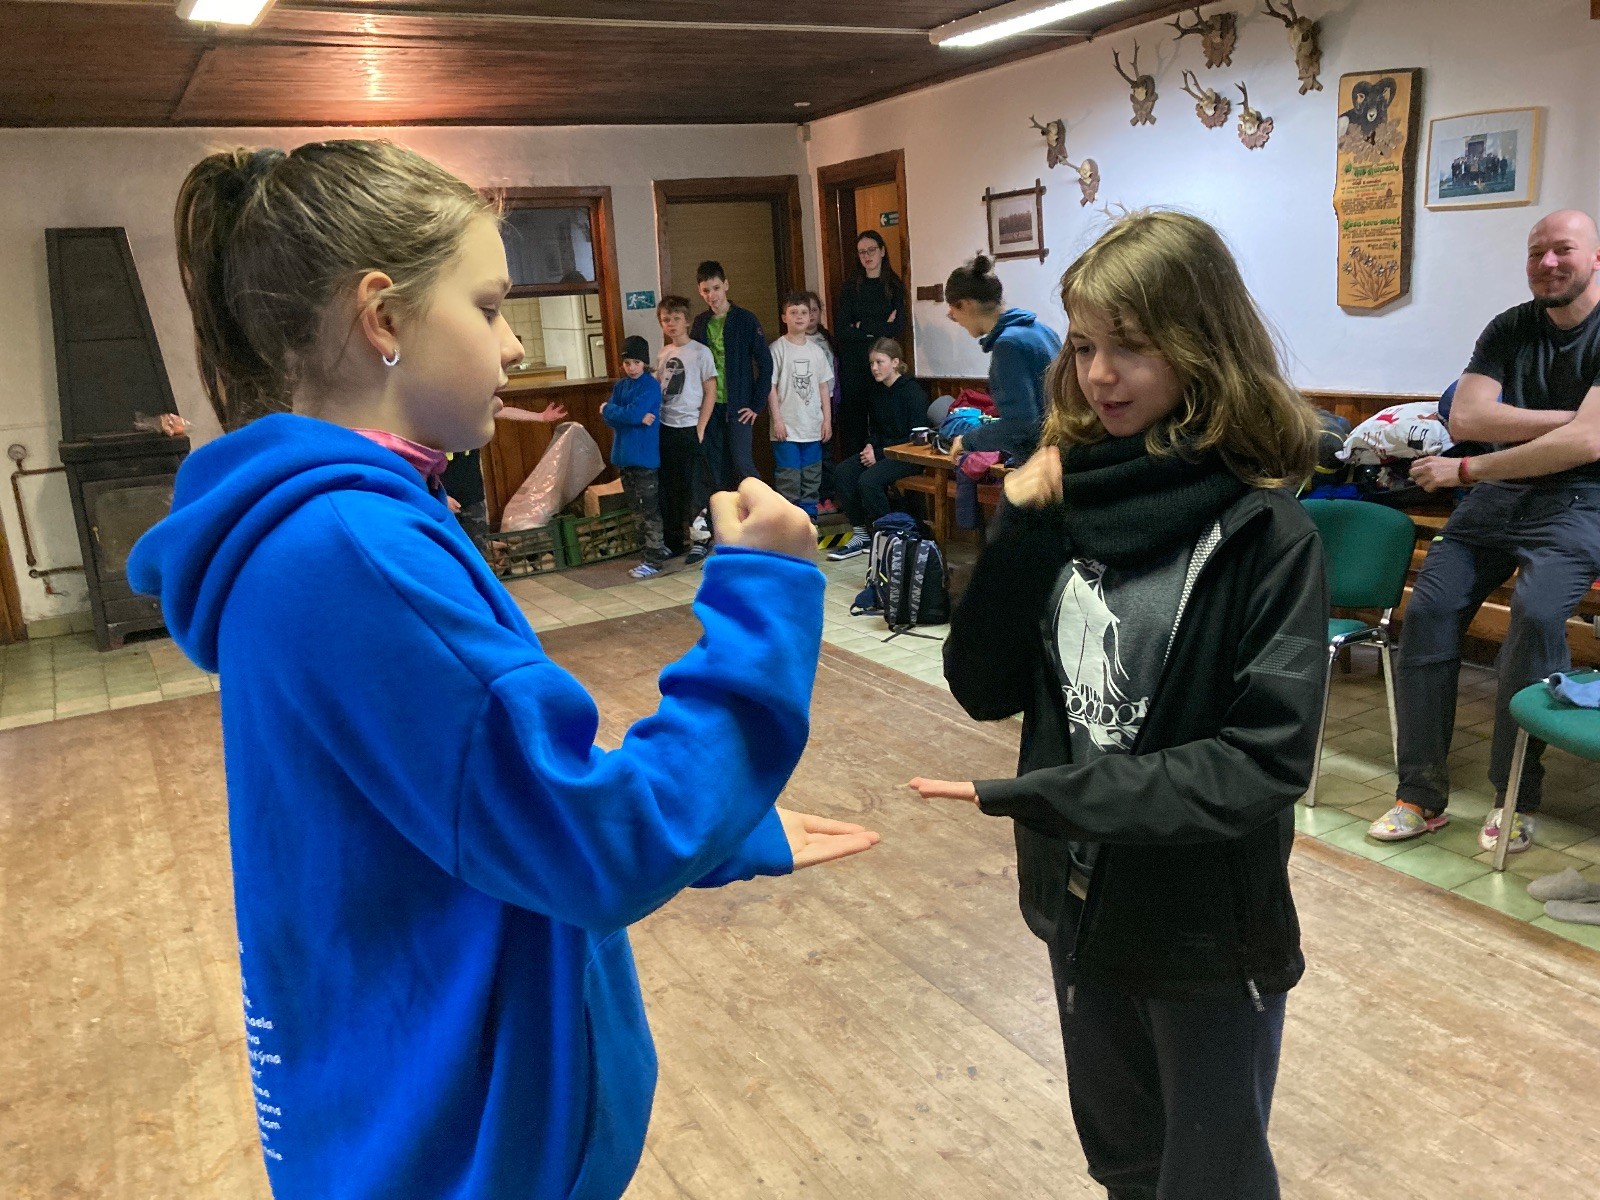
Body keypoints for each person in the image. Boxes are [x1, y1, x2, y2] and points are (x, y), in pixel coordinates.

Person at [127, 140, 878, 1200]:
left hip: (407, 1113)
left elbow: (474, 795)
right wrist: (763, 595)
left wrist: (717, 827)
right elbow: (590, 847)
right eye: (487, 308)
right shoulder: (354, 552)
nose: (516, 345)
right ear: (383, 319)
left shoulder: (337, 530)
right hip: (455, 1150)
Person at [911, 210, 1328, 1200]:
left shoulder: (1266, 534)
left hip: (1203, 933)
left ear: (1201, 346)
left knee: (1210, 1180)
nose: (1099, 375)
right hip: (1077, 909)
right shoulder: (1070, 499)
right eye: (1086, 345)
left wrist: (1055, 796)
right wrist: (1021, 528)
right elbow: (981, 685)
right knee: (1125, 1166)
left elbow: (1262, 762)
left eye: (1131, 345)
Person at [1368, 209, 1600, 854]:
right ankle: (1418, 795)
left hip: (1582, 500)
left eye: (1563, 249)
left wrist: (1470, 467)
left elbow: (1588, 447)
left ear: (1595, 258)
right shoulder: (1510, 326)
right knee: (1429, 610)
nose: (1547, 263)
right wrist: (1572, 421)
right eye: (1536, 252)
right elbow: (1467, 415)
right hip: (1499, 497)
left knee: (1536, 614)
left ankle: (1515, 794)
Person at [688, 260, 773, 566]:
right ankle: (714, 534)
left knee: (744, 466)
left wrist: (757, 404)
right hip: (710, 409)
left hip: (739, 408)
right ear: (700, 291)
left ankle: (764, 528)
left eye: (715, 288)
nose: (711, 295)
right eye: (705, 290)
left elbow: (765, 364)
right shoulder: (700, 323)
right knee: (713, 471)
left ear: (726, 285)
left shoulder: (746, 320)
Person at [944, 253, 1062, 460]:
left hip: (1044, 460)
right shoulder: (1041, 330)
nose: (954, 318)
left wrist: (966, 441)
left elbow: (1020, 426)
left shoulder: (1008, 345)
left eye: (953, 310)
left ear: (967, 304)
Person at [826, 338, 928, 560]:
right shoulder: (878, 391)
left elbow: (916, 436)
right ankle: (861, 533)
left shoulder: (913, 392)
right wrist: (870, 445)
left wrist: (879, 453)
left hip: (909, 455)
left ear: (895, 362)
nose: (874, 368)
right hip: (882, 451)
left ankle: (890, 535)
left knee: (869, 481)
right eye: (872, 363)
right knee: (843, 472)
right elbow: (876, 429)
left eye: (879, 362)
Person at [439, 401, 566, 542]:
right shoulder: (433, 427)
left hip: (473, 498)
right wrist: (441, 497)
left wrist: (541, 417)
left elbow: (503, 411)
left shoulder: (473, 413)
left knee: (478, 546)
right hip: (442, 500)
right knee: (446, 547)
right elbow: (424, 470)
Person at [602, 335, 672, 579]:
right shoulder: (621, 386)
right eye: (627, 363)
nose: (631, 367)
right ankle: (652, 550)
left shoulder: (650, 386)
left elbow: (628, 414)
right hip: (624, 457)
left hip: (644, 458)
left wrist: (614, 411)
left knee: (648, 509)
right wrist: (620, 414)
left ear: (644, 363)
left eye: (636, 363)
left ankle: (653, 559)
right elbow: (611, 417)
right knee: (635, 509)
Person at [655, 295, 718, 557]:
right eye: (666, 319)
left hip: (691, 426)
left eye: (676, 318)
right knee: (670, 486)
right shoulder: (663, 353)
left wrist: (701, 427)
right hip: (666, 426)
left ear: (687, 321)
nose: (671, 324)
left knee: (695, 487)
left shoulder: (700, 352)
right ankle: (674, 541)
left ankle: (701, 540)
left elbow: (711, 391)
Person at [836, 230, 907, 458]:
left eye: (871, 250)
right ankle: (854, 468)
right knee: (854, 421)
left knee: (881, 417)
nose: (867, 256)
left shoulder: (894, 286)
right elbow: (842, 330)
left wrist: (861, 326)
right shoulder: (850, 288)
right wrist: (880, 328)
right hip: (854, 362)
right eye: (861, 252)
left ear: (882, 251)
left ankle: (878, 463)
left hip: (883, 362)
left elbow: (897, 327)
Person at [768, 291, 834, 518]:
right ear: (784, 317)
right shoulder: (777, 349)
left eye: (804, 312)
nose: (799, 316)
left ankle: (809, 520)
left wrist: (827, 420)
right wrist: (777, 420)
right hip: (786, 428)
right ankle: (790, 522)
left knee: (812, 476)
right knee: (789, 477)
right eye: (793, 312)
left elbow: (823, 387)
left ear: (810, 317)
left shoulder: (817, 351)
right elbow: (771, 387)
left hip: (812, 427)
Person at [802, 290, 844, 515]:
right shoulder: (797, 342)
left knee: (827, 453)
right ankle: (813, 497)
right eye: (806, 311)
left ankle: (828, 495)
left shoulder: (828, 339)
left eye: (814, 310)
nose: (810, 316)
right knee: (811, 455)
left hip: (829, 404)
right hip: (806, 406)